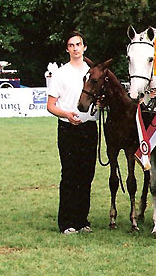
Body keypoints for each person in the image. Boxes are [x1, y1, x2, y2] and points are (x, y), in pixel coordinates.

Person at [47, 31, 98, 235]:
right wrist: (67, 114)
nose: (76, 48)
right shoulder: (61, 74)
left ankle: (82, 220)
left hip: (89, 128)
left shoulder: (92, 72)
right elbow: (50, 105)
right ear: (67, 49)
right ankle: (67, 222)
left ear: (84, 47)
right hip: (68, 129)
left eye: (79, 44)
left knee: (87, 175)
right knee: (70, 174)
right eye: (71, 45)